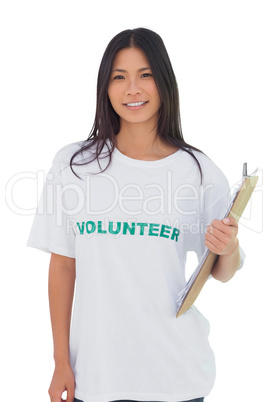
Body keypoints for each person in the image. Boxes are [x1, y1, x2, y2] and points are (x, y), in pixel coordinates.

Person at [27, 28, 244, 402]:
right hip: (95, 378)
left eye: (145, 75)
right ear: (105, 87)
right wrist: (60, 360)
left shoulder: (199, 171)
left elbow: (222, 271)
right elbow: (63, 265)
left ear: (163, 82)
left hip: (177, 378)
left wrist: (230, 245)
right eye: (119, 77)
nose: (132, 89)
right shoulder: (74, 165)